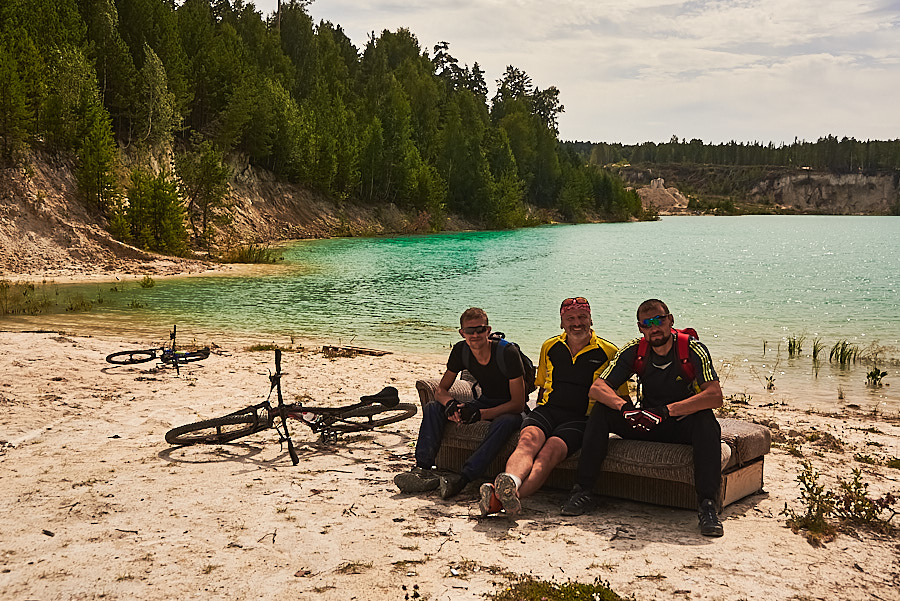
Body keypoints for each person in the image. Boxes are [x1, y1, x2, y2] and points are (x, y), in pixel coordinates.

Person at [561, 299, 725, 537]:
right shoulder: (635, 351)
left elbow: (714, 395)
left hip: (678, 422)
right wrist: (625, 409)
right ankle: (582, 491)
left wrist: (667, 411)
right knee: (602, 411)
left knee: (707, 422)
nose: (654, 328)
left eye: (659, 321)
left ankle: (708, 506)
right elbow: (597, 388)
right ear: (640, 328)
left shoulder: (692, 349)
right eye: (647, 324)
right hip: (646, 421)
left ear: (670, 320)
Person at [478, 297, 626, 516]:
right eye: (571, 319)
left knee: (549, 452)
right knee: (527, 442)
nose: (577, 323)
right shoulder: (550, 346)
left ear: (591, 319)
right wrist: (536, 414)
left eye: (582, 317)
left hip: (581, 418)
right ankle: (510, 482)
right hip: (548, 411)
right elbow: (542, 386)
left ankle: (505, 498)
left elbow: (618, 395)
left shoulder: (609, 351)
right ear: (562, 323)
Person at [394, 307, 527, 499]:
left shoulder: (507, 352)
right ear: (462, 332)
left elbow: (518, 404)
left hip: (509, 409)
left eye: (480, 330)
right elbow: (441, 391)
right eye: (470, 331)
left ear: (488, 330)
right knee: (433, 407)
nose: (475, 335)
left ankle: (464, 478)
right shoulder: (460, 350)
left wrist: (480, 414)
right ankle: (422, 470)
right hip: (484, 400)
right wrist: (450, 404)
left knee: (504, 422)